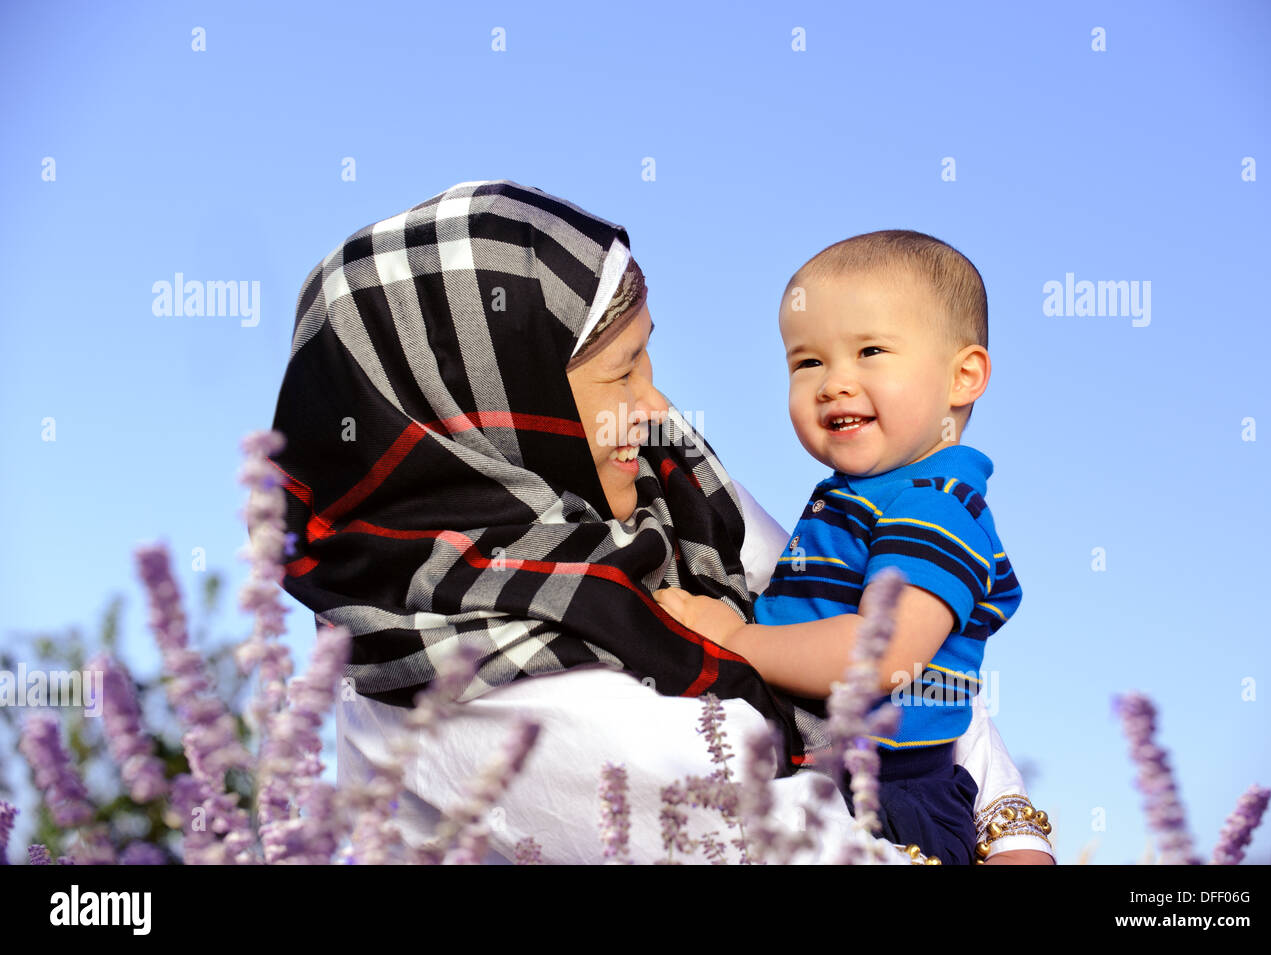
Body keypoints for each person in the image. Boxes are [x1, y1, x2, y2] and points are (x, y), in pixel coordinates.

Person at [267, 181, 1054, 864]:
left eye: (650, 361)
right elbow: (774, 836)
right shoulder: (454, 670)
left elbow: (904, 650)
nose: (659, 409)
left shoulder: (665, 494)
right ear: (490, 403)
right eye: (620, 374)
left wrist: (1013, 830)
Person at [654, 230, 1044, 865]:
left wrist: (736, 639)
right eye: (807, 362)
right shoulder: (866, 495)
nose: (834, 382)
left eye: (870, 351)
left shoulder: (934, 504)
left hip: (893, 803)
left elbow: (881, 654)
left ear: (963, 376)